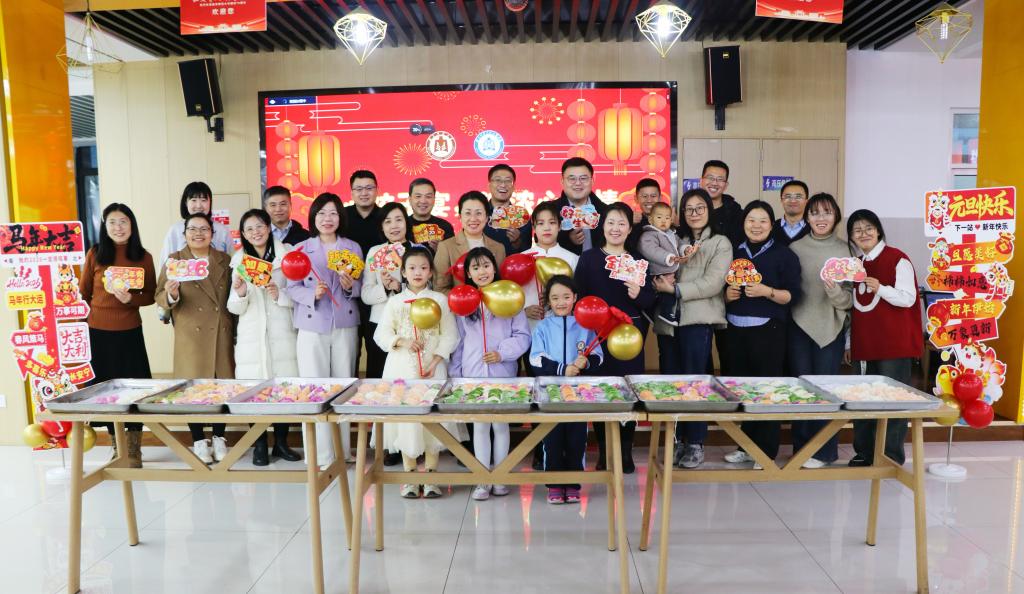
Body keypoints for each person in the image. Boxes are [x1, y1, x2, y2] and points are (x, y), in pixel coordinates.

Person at [652, 188, 732, 469]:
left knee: (695, 382)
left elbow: (714, 283)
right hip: (668, 321)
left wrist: (675, 289)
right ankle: (675, 439)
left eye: (700, 208)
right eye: (689, 209)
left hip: (697, 320)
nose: (695, 213)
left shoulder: (720, 242)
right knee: (671, 382)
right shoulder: (673, 239)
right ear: (681, 213)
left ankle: (695, 441)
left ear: (709, 210)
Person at [374, 246, 461, 498]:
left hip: (433, 367)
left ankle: (431, 476)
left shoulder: (440, 300)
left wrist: (436, 361)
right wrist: (401, 341)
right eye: (412, 268)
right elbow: (382, 334)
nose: (418, 272)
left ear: (431, 272)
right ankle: (410, 476)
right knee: (407, 420)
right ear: (403, 272)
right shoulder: (394, 302)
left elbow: (450, 335)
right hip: (401, 368)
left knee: (432, 419)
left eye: (423, 268)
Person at [576, 202, 656, 473]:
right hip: (597, 335)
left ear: (630, 228)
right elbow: (579, 297)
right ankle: (604, 451)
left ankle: (625, 451)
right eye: (611, 222)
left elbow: (650, 300)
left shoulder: (637, 261)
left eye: (622, 223)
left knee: (628, 391)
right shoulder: (589, 259)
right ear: (602, 226)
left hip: (629, 335)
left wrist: (639, 294)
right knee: (601, 391)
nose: (616, 228)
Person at [722, 201, 802, 468]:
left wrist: (766, 291)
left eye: (762, 221)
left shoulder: (784, 254)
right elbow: (720, 289)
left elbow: (793, 295)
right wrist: (727, 295)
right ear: (743, 223)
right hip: (735, 330)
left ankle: (765, 451)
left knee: (766, 391)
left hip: (769, 330)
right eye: (751, 220)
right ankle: (745, 447)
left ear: (771, 224)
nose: (756, 226)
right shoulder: (734, 251)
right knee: (741, 390)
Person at [286, 193, 363, 468]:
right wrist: (312, 294)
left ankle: (342, 453)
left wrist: (350, 286)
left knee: (343, 388)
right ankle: (319, 454)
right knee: (314, 388)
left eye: (333, 213)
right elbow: (291, 287)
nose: (327, 219)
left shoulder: (352, 247)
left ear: (340, 217)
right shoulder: (301, 248)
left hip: (344, 323)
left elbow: (362, 285)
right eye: (321, 213)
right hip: (312, 324)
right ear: (313, 217)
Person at [449, 247, 531, 501]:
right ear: (468, 274)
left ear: (495, 268)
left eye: (486, 265)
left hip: (502, 373)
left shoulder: (510, 298)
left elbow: (523, 336)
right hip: (473, 374)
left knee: (501, 425)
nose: (482, 271)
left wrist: (502, 353)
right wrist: (456, 374)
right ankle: (483, 479)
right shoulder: (463, 303)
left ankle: (501, 477)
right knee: (480, 426)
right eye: (475, 268)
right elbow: (458, 342)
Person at [79, 203, 156, 468]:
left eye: (123, 221)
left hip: (130, 333)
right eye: (112, 222)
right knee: (107, 393)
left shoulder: (143, 257)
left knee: (134, 391)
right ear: (105, 226)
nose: (118, 227)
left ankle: (134, 450)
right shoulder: (96, 254)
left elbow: (151, 295)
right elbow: (83, 293)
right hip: (98, 333)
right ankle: (117, 448)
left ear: (132, 225)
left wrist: (131, 299)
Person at [155, 212, 235, 464]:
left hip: (220, 332)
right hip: (190, 335)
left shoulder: (224, 260)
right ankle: (199, 440)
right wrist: (171, 294)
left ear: (212, 233)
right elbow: (159, 297)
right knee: (192, 390)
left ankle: (219, 437)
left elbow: (233, 296)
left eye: (204, 229)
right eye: (193, 229)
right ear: (184, 233)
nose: (198, 234)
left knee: (221, 386)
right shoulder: (175, 260)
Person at [847, 209, 922, 467]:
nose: (863, 234)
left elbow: (908, 298)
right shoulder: (856, 265)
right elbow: (855, 307)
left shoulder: (897, 258)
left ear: (878, 230)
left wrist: (881, 288)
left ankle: (890, 456)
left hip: (894, 344)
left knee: (893, 401)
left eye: (868, 228)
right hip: (865, 344)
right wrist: (849, 342)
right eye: (857, 230)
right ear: (851, 237)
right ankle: (865, 452)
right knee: (862, 398)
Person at [227, 209, 303, 466]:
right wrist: (240, 292)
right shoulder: (239, 262)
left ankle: (281, 443)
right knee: (253, 391)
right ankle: (259, 444)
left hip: (283, 331)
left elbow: (299, 296)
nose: (255, 232)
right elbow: (234, 308)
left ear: (269, 228)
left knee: (282, 388)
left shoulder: (287, 256)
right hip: (252, 336)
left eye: (259, 226)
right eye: (249, 229)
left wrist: (279, 294)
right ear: (243, 234)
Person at [788, 193, 853, 469]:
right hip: (799, 326)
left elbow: (850, 300)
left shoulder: (846, 251)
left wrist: (835, 291)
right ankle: (802, 449)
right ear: (807, 218)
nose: (821, 218)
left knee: (826, 390)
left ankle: (825, 451)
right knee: (802, 389)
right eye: (815, 213)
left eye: (827, 212)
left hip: (831, 327)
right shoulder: (795, 248)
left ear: (836, 216)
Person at [529, 275, 602, 504]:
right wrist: (562, 369)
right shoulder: (542, 327)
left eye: (566, 297)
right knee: (552, 440)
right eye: (555, 298)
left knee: (576, 440)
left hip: (578, 395)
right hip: (550, 393)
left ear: (575, 298)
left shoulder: (585, 326)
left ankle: (572, 483)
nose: (561, 302)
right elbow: (536, 358)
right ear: (548, 301)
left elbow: (598, 355)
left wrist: (586, 362)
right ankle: (554, 484)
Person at [361, 202, 414, 467]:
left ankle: (414, 443)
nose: (394, 226)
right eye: (388, 221)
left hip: (412, 327)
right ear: (382, 227)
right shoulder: (374, 253)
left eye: (399, 220)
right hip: (381, 328)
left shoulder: (418, 251)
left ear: (406, 223)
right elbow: (365, 294)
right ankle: (388, 445)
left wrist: (401, 285)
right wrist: (384, 287)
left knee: (411, 384)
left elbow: (427, 287)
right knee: (384, 386)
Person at [345, 170, 384, 383]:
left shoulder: (385, 217)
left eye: (369, 188)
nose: (364, 193)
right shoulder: (342, 217)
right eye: (359, 189)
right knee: (348, 353)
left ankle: (375, 397)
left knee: (376, 348)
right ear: (351, 192)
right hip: (347, 294)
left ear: (377, 190)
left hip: (377, 295)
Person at [433, 191, 507, 295]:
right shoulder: (446, 247)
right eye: (468, 213)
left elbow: (502, 285)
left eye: (478, 213)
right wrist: (465, 299)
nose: (473, 219)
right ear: (460, 217)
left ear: (487, 217)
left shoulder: (499, 248)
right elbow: (440, 288)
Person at [523, 201, 580, 333]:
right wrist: (523, 311)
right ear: (534, 227)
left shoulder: (572, 259)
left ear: (560, 226)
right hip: (529, 328)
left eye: (552, 222)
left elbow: (577, 296)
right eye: (541, 223)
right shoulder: (521, 258)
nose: (547, 228)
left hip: (563, 330)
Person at [159, 181, 232, 265]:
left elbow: (232, 261)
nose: (198, 205)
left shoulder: (222, 230)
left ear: (210, 202)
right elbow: (165, 262)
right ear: (186, 203)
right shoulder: (175, 230)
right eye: (193, 200)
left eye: (203, 200)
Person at [638, 201, 683, 326]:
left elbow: (679, 243)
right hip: (656, 271)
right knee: (667, 293)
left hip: (668, 270)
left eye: (667, 218)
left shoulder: (671, 234)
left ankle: (651, 311)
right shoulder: (649, 234)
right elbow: (650, 250)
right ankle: (665, 313)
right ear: (650, 220)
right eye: (659, 217)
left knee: (666, 293)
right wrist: (668, 257)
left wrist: (685, 249)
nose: (663, 221)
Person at [553, 157, 609, 255]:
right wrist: (567, 238)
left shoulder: (607, 212)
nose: (578, 183)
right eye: (572, 179)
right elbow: (539, 240)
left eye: (583, 178)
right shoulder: (550, 210)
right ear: (562, 181)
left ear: (592, 180)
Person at [484, 164, 531, 255]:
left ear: (513, 187)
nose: (503, 185)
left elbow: (527, 253)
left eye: (508, 181)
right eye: (498, 180)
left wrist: (517, 242)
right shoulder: (479, 214)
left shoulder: (522, 217)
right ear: (489, 185)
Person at [701, 160, 744, 248]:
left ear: (726, 185)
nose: (714, 183)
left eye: (720, 179)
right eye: (710, 178)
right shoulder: (690, 208)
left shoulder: (735, 212)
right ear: (701, 181)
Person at [408, 178, 454, 253]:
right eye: (418, 196)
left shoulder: (445, 227)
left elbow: (453, 257)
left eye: (428, 196)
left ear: (434, 199)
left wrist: (441, 250)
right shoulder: (402, 226)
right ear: (410, 199)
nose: (423, 201)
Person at [771, 180, 811, 246]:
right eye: (788, 196)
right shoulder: (771, 228)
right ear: (781, 200)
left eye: (798, 196)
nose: (793, 201)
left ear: (806, 201)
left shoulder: (813, 228)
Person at [628, 177, 664, 245]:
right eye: (644, 196)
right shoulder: (632, 223)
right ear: (636, 199)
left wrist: (677, 225)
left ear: (660, 198)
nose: (649, 200)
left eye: (653, 196)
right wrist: (629, 223)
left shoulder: (668, 221)